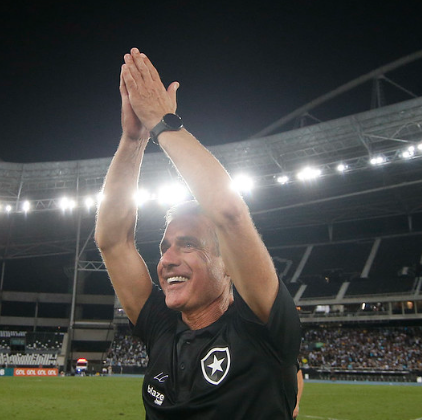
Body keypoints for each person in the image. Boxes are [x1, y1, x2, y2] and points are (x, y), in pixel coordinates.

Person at [95, 48, 301, 419]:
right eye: (165, 246)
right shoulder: (161, 325)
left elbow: (229, 213)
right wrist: (133, 141)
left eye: (188, 244)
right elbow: (113, 241)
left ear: (228, 265)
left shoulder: (262, 327)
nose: (167, 259)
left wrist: (163, 122)